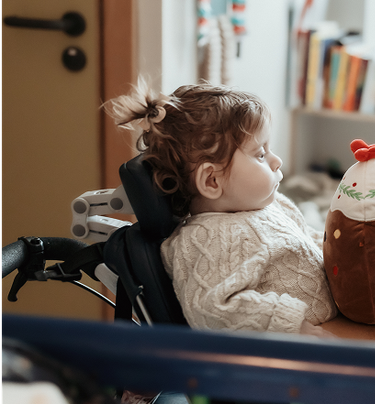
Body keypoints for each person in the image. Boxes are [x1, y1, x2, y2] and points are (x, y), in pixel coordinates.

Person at [104, 81, 335, 336]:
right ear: (212, 180)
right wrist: (295, 326)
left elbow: (306, 240)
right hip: (292, 351)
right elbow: (213, 309)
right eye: (260, 154)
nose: (276, 160)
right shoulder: (207, 239)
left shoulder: (272, 203)